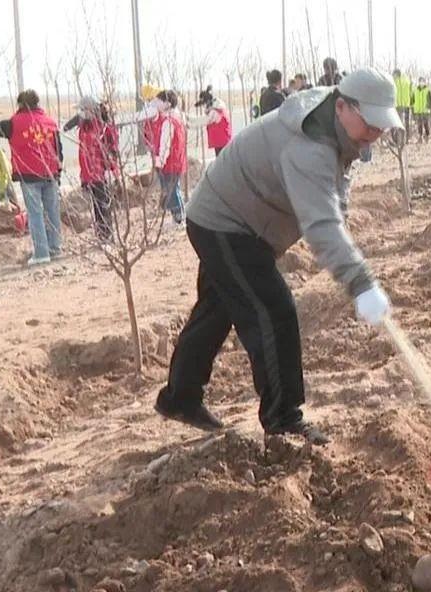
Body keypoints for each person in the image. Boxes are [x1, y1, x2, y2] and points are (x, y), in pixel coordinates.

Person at [156, 69, 402, 444]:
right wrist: (360, 282)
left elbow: (334, 196)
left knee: (217, 308)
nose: (376, 133)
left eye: (381, 126)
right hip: (226, 222)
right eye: (370, 123)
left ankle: (180, 397)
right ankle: (283, 419)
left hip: (235, 216)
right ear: (342, 107)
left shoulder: (330, 124)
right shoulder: (307, 146)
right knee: (274, 311)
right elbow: (320, 224)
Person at [0, 90, 64, 266]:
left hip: (29, 175)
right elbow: (59, 150)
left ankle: (42, 253)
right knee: (52, 211)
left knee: (35, 214)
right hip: (51, 173)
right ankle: (55, 248)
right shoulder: (50, 122)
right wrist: (58, 172)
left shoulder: (15, 123)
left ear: (20, 104)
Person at [64, 97, 119, 241]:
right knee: (96, 206)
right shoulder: (84, 125)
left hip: (102, 172)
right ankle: (101, 235)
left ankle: (108, 236)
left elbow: (112, 149)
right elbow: (69, 128)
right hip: (89, 173)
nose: (80, 113)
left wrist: (110, 169)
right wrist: (84, 176)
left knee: (104, 205)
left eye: (83, 110)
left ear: (90, 110)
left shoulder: (104, 126)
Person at [153, 90, 188, 225]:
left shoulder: (168, 122)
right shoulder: (177, 118)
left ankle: (179, 218)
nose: (156, 104)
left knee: (172, 190)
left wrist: (160, 161)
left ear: (167, 103)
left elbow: (165, 144)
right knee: (174, 189)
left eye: (159, 101)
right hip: (176, 160)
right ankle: (178, 217)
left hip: (170, 162)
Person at [190, 86, 233, 156]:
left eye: (203, 104)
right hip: (222, 142)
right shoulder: (218, 108)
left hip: (222, 143)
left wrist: (189, 123)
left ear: (207, 102)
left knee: (222, 164)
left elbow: (204, 121)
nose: (203, 107)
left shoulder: (215, 112)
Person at [412, 77, 431, 142]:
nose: (421, 83)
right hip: (417, 110)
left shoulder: (427, 90)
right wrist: (413, 110)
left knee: (426, 124)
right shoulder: (415, 90)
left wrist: (429, 108)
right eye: (420, 81)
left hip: (425, 110)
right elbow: (413, 100)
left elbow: (430, 100)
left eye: (423, 81)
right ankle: (420, 137)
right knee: (419, 124)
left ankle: (427, 136)